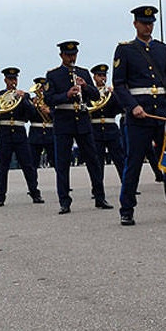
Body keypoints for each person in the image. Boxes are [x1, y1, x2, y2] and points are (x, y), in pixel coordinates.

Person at [112, 5, 166, 225]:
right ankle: (127, 209)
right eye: (144, 23)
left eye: (151, 23)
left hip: (162, 112)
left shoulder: (162, 49)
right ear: (135, 24)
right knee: (134, 162)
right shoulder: (125, 50)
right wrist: (132, 106)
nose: (148, 27)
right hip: (139, 114)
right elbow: (119, 84)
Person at [44, 41, 113, 214]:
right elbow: (48, 99)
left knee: (93, 161)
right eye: (68, 55)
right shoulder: (53, 75)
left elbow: (96, 96)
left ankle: (99, 197)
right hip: (63, 120)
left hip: (82, 120)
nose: (72, 58)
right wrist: (66, 95)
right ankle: (64, 201)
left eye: (74, 55)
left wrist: (85, 86)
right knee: (62, 163)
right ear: (61, 56)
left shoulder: (83, 73)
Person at [0, 67, 44, 207]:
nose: (13, 81)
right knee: (2, 166)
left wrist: (23, 99)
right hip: (4, 132)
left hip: (19, 131)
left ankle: (34, 193)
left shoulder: (25, 95)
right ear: (5, 80)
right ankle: (0, 196)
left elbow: (32, 113)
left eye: (14, 79)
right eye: (10, 79)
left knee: (27, 165)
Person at [88, 64, 126, 182]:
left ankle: (127, 186)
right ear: (94, 77)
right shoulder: (90, 92)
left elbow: (122, 108)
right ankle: (98, 188)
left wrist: (115, 95)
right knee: (97, 161)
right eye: (99, 75)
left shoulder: (111, 93)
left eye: (104, 75)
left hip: (111, 128)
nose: (102, 78)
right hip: (95, 129)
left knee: (119, 159)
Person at [27, 78, 55, 171]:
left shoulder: (52, 101)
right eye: (39, 88)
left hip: (50, 132)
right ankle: (33, 181)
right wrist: (32, 107)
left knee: (56, 162)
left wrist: (49, 111)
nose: (41, 90)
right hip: (36, 133)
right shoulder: (31, 101)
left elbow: (60, 115)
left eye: (43, 87)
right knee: (33, 163)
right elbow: (27, 118)